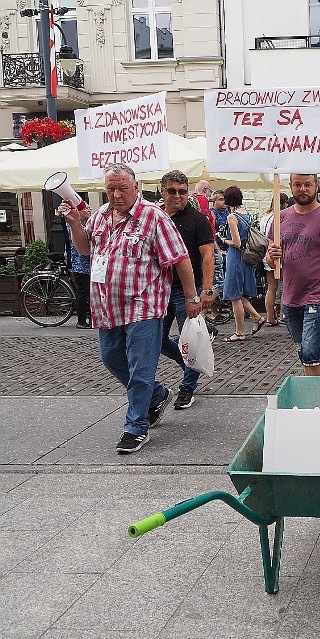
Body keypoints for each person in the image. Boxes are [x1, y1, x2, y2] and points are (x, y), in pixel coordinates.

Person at [61, 163, 200, 454]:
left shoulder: (153, 217)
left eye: (122, 187)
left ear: (135, 187)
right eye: (110, 188)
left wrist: (191, 297)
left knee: (140, 369)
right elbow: (86, 249)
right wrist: (75, 222)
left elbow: (180, 258)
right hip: (107, 306)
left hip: (144, 306)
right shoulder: (100, 215)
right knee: (111, 358)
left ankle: (135, 427)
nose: (116, 194)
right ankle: (156, 395)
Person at [266, 174, 320, 376]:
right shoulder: (281, 218)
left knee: (312, 353)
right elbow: (271, 261)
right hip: (291, 298)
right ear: (291, 186)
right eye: (297, 185)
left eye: (307, 185)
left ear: (316, 186)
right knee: (305, 353)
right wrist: (271, 256)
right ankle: (312, 400)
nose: (302, 189)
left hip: (318, 298)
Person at [157, 170, 215, 411]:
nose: (177, 196)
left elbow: (208, 255)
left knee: (189, 341)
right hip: (159, 289)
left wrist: (207, 290)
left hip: (186, 292)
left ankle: (187, 387)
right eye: (172, 191)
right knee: (157, 340)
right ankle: (189, 364)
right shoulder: (155, 217)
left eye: (182, 191)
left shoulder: (197, 220)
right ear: (163, 191)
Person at [220, 186, 265, 342]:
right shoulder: (247, 214)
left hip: (236, 257)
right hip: (247, 258)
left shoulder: (232, 217)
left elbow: (237, 242)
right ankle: (257, 318)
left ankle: (239, 332)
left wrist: (223, 240)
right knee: (240, 294)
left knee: (234, 295)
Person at [259, 193, 288, 326]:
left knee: (271, 288)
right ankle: (283, 315)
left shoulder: (265, 216)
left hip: (266, 253)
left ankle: (270, 317)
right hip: (277, 253)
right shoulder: (279, 217)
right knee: (284, 286)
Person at [65, 203, 92, 329]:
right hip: (79, 264)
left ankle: (91, 318)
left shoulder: (87, 223)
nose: (89, 210)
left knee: (90, 292)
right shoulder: (73, 224)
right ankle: (81, 320)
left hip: (88, 264)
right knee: (83, 292)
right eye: (85, 208)